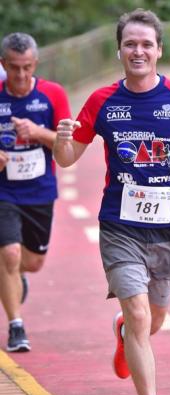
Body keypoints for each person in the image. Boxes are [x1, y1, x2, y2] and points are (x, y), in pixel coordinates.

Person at [53, 8, 170, 395]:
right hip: (119, 225)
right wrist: (60, 139)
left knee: (154, 319)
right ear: (119, 50)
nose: (139, 50)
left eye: (146, 43)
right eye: (131, 43)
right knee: (140, 313)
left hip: (169, 228)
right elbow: (68, 158)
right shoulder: (102, 101)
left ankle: (125, 335)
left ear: (159, 50)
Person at [0, 33, 71, 352]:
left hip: (40, 190)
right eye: (14, 68)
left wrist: (38, 131)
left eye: (27, 67)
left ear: (35, 64)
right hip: (4, 191)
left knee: (31, 262)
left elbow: (68, 145)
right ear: (3, 65)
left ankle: (15, 278)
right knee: (9, 253)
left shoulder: (53, 94)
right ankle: (16, 326)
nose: (21, 75)